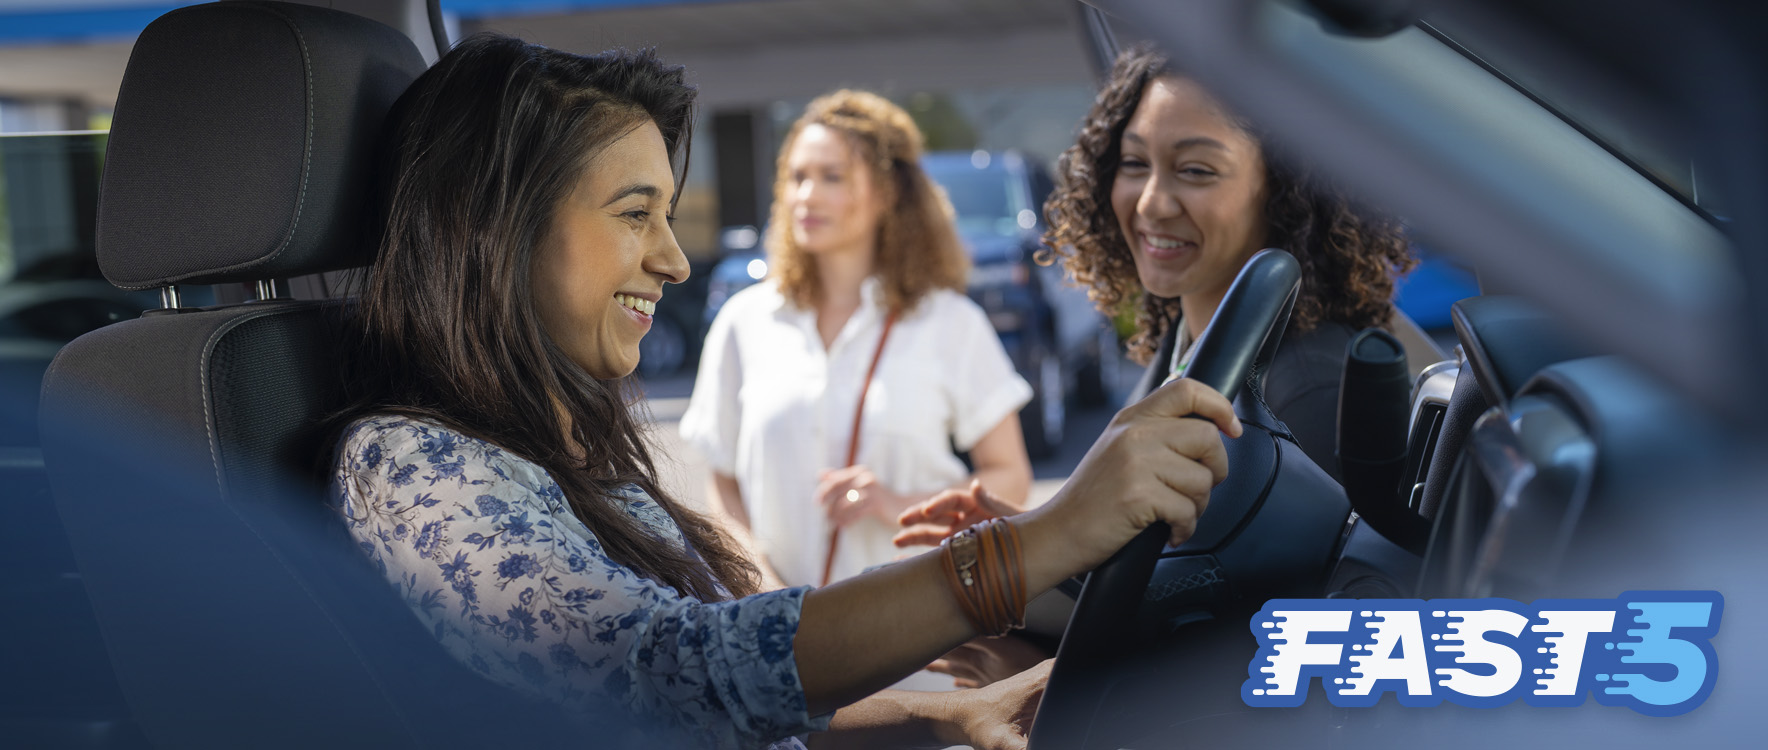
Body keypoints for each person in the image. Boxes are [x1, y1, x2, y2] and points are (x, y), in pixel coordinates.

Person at [330, 34, 1241, 750]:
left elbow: (716, 698)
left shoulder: (554, 450)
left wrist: (935, 719)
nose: (674, 258)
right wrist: (1038, 542)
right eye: (633, 213)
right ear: (496, 230)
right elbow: (670, 676)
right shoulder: (414, 465)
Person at [895, 44, 1416, 688]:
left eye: (1196, 171)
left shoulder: (1309, 389)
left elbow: (1270, 649)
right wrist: (1040, 540)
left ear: (1283, 193)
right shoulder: (1184, 348)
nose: (1151, 202)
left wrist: (1041, 669)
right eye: (1134, 164)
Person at [679, 90, 1034, 589]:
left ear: (887, 193)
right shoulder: (744, 321)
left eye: (832, 177)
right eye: (798, 177)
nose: (806, 195)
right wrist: (763, 590)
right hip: (780, 641)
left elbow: (1010, 478)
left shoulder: (951, 323)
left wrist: (898, 506)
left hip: (920, 643)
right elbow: (723, 482)